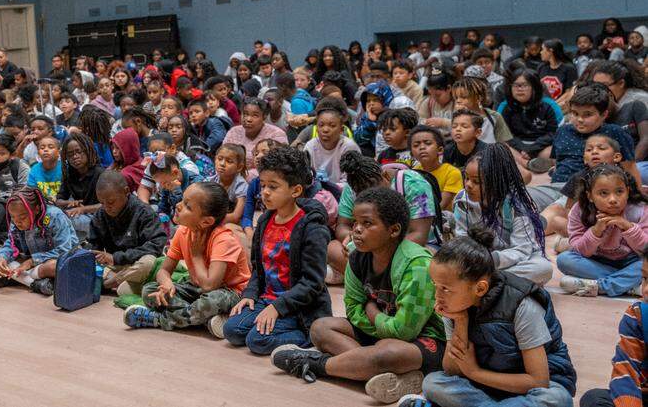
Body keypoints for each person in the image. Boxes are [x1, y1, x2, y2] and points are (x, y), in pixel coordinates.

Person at [274, 187, 447, 405]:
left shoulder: (417, 265)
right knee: (321, 328)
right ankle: (385, 374)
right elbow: (353, 309)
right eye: (355, 222)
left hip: (422, 340)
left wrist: (372, 311)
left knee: (387, 352)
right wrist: (376, 322)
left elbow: (404, 331)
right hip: (381, 333)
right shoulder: (357, 257)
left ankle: (317, 364)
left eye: (367, 223)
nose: (356, 230)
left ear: (393, 230)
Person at [401, 227, 576, 407]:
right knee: (432, 383)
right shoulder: (455, 307)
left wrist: (475, 373)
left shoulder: (521, 305)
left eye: (445, 288)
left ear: (480, 289)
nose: (437, 296)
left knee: (556, 399)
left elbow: (538, 381)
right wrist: (460, 322)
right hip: (489, 385)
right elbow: (451, 370)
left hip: (537, 385)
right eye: (435, 285)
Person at [222, 147, 332, 354]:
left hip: (299, 308)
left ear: (296, 190)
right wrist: (251, 294)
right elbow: (258, 268)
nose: (264, 192)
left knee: (257, 341)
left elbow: (312, 283)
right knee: (232, 331)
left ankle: (311, 336)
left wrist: (278, 307)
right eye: (263, 185)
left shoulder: (312, 228)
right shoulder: (264, 220)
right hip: (268, 299)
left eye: (273, 187)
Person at [123, 181, 251, 331]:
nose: (178, 205)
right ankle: (204, 320)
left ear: (206, 221)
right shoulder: (183, 232)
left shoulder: (224, 240)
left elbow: (210, 286)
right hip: (197, 288)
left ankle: (159, 320)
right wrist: (166, 284)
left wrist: (196, 256)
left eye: (188, 206)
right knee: (149, 291)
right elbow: (164, 271)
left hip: (230, 293)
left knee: (212, 301)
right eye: (182, 200)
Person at [453, 145, 552, 285]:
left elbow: (522, 250)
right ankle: (495, 282)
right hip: (476, 260)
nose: (468, 185)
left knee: (543, 268)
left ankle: (483, 282)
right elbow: (461, 237)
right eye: (466, 178)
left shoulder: (515, 206)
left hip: (508, 260)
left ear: (495, 182)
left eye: (476, 181)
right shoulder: (462, 201)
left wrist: (491, 260)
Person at [558, 164, 648, 297]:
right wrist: (596, 231)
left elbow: (645, 249)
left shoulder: (639, 209)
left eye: (619, 191)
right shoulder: (580, 211)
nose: (613, 199)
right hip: (597, 262)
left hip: (632, 260)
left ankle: (601, 286)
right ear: (590, 196)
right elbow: (580, 250)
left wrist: (627, 227)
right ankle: (628, 285)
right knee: (564, 259)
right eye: (603, 193)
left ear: (627, 191)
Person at [578, 254, 648, 407]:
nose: (646, 289)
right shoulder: (638, 316)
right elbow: (626, 371)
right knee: (594, 399)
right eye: (645, 279)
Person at [86, 170, 168, 296]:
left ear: (126, 192)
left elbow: (155, 246)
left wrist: (115, 257)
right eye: (102, 203)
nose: (107, 207)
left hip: (138, 265)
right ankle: (125, 283)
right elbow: (93, 246)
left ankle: (108, 284)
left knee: (149, 262)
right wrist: (96, 257)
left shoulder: (144, 212)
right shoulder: (100, 215)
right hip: (117, 267)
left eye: (111, 202)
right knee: (91, 269)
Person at [0, 186, 79, 296]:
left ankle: (18, 278)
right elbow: (11, 243)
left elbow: (64, 250)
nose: (17, 222)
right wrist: (2, 258)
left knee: (53, 267)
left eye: (22, 218)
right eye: (13, 218)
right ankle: (37, 282)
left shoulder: (55, 216)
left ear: (37, 209)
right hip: (32, 259)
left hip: (56, 258)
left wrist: (31, 261)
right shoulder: (16, 220)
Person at [499, 70, 559, 161]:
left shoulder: (548, 106)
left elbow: (553, 133)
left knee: (551, 152)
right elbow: (506, 134)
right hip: (517, 147)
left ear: (534, 87)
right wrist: (522, 148)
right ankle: (527, 163)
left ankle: (524, 163)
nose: (519, 89)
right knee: (502, 147)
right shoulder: (506, 107)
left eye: (524, 85)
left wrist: (533, 148)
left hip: (541, 146)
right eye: (515, 85)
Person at [224, 97, 288, 179]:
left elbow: (277, 166)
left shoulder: (276, 135)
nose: (248, 119)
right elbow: (224, 155)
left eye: (255, 115)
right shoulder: (234, 131)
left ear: (264, 117)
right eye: (245, 114)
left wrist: (244, 176)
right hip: (230, 176)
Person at [56, 132, 105, 237]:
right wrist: (70, 203)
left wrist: (83, 209)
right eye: (70, 155)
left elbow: (107, 205)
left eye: (79, 152)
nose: (75, 156)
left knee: (71, 222)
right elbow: (58, 200)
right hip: (79, 214)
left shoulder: (100, 173)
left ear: (88, 151)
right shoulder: (69, 173)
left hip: (100, 217)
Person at [306, 97, 361, 184]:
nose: (325, 130)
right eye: (321, 125)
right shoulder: (311, 146)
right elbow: (306, 177)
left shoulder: (349, 147)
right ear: (316, 128)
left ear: (341, 129)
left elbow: (350, 182)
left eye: (332, 125)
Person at [410, 126, 463, 211]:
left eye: (427, 143)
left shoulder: (452, 172)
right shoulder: (413, 173)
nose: (422, 147)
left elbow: (441, 206)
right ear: (412, 154)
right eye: (416, 145)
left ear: (440, 150)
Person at [26, 135, 63, 200]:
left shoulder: (64, 168)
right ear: (38, 153)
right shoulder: (34, 169)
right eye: (42, 148)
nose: (45, 150)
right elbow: (31, 192)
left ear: (58, 151)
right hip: (42, 204)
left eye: (50, 147)